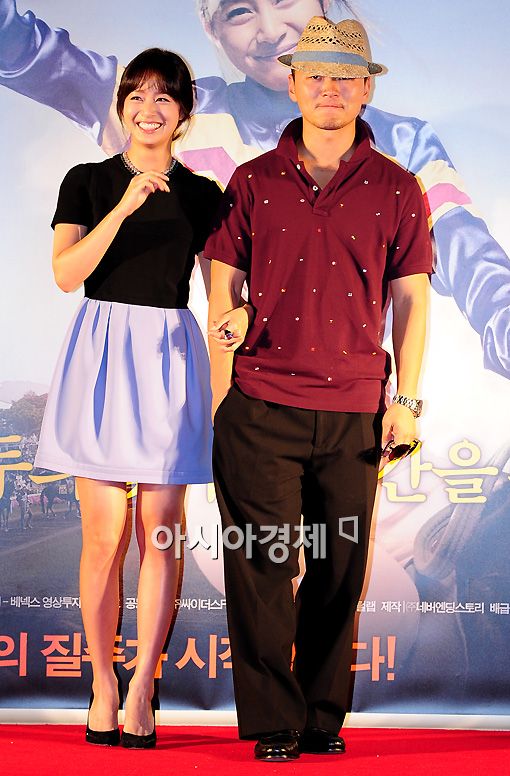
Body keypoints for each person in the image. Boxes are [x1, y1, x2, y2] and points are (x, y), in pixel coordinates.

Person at [0, 0, 507, 380]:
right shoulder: (177, 111)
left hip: (346, 401)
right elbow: (27, 50)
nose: (270, 29)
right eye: (240, 11)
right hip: (211, 400)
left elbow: (474, 263)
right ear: (211, 27)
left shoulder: (402, 147)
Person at [206, 17, 432, 760]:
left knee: (340, 572)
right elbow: (222, 280)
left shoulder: (399, 188)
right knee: (262, 568)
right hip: (260, 404)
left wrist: (406, 401)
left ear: (366, 89)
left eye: (344, 77)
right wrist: (225, 378)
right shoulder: (252, 181)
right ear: (294, 85)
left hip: (355, 409)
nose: (329, 88)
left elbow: (412, 299)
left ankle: (322, 717)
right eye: (315, 75)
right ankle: (275, 721)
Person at [33, 47, 238, 749]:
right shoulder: (87, 180)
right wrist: (124, 205)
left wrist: (231, 338)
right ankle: (102, 681)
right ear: (121, 107)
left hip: (168, 356)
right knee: (102, 536)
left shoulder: (204, 193)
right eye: (137, 97)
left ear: (184, 114)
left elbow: (219, 295)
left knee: (160, 532)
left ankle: (144, 683)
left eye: (164, 99)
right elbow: (67, 274)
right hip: (99, 352)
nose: (149, 111)